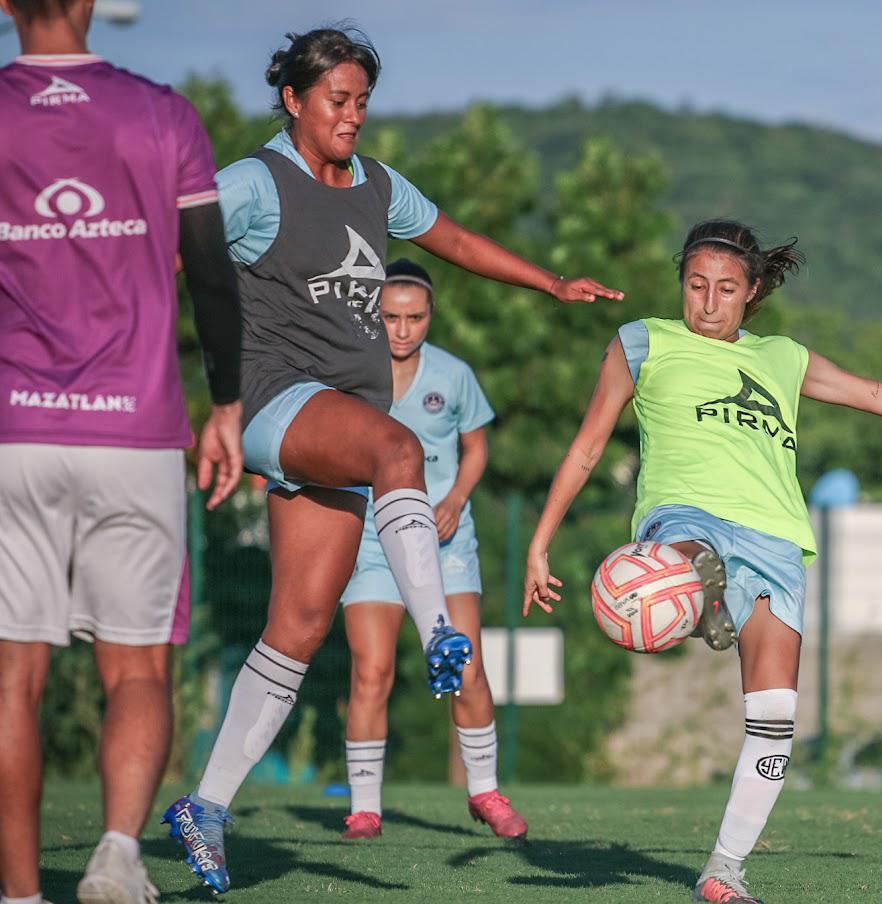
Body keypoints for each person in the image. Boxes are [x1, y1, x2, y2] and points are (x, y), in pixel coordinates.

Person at [163, 26, 619, 893]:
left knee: (296, 628)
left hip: (338, 422)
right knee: (398, 448)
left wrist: (550, 284)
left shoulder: (376, 186)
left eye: (363, 101)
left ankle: (207, 805)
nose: (352, 116)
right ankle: (439, 632)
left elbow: (456, 241)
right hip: (271, 401)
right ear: (293, 100)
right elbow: (180, 241)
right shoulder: (257, 184)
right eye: (337, 100)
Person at [523, 219, 882, 903]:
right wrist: (541, 539)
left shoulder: (782, 359)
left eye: (726, 289)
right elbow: (589, 447)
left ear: (753, 291)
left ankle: (723, 870)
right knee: (686, 555)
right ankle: (697, 589)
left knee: (774, 720)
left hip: (775, 541)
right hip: (687, 516)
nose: (707, 303)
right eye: (696, 285)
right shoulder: (643, 342)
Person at [0, 1, 244, 902]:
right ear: (94, 3)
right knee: (138, 665)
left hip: (13, 432)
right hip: (137, 431)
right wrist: (226, 403)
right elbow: (213, 272)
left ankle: (20, 894)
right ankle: (115, 853)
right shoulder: (162, 112)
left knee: (12, 674)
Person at [337, 259, 525, 841]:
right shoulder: (347, 374)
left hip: (446, 545)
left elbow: (476, 449)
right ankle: (365, 808)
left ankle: (485, 793)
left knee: (466, 666)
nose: (401, 330)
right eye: (389, 317)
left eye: (413, 317)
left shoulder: (454, 374)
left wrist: (456, 500)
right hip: (370, 543)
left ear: (430, 316)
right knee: (372, 672)